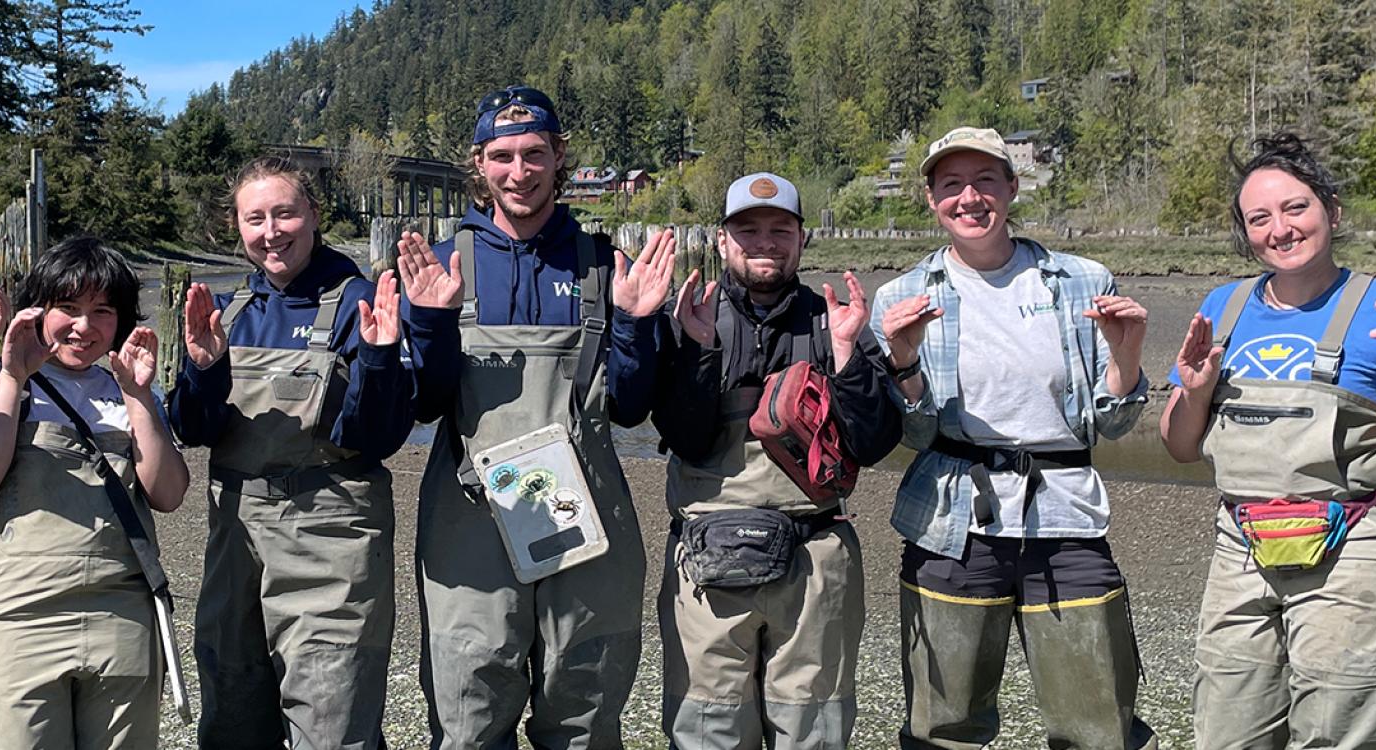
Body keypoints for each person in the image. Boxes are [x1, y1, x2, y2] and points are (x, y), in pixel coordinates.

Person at [1160, 133, 1376, 750]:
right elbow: (1181, 445)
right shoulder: (1225, 306)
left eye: (1296, 208)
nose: (1281, 228)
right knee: (1226, 729)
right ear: (1245, 233)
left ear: (1332, 209)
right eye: (1260, 218)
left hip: (1360, 538)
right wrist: (1193, 390)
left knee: (1336, 729)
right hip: (1243, 541)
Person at [395, 83, 675, 749]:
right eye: (502, 156)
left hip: (588, 520)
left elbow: (632, 408)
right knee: (469, 712)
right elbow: (426, 407)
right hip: (470, 523)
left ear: (559, 160)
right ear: (479, 163)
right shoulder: (440, 267)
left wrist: (636, 325)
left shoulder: (606, 268)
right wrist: (432, 323)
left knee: (584, 713)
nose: (517, 172)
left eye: (533, 154)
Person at [869, 126, 1157, 750]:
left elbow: (1112, 422)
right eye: (951, 185)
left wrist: (1126, 360)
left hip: (1067, 517)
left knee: (1099, 724)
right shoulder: (900, 299)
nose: (969, 197)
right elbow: (914, 434)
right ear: (930, 198)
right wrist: (902, 361)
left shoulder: (1082, 281)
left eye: (984, 181)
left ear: (1012, 188)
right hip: (950, 521)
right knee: (943, 726)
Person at [651, 172, 904, 748]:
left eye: (779, 229)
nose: (764, 241)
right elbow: (685, 439)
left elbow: (874, 444)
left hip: (815, 560)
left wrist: (847, 360)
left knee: (814, 730)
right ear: (721, 241)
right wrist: (695, 352)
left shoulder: (836, 321)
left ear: (801, 239)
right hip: (705, 561)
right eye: (748, 230)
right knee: (707, 729)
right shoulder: (689, 317)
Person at [167, 156, 413, 749]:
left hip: (332, 534)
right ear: (237, 226)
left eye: (285, 213)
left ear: (313, 215)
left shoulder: (359, 302)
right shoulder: (226, 311)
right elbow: (191, 428)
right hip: (235, 533)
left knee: (332, 716)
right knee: (231, 708)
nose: (272, 231)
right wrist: (202, 368)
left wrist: (378, 360)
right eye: (256, 218)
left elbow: (378, 438)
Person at [0, 237, 188, 748]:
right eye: (68, 308)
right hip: (12, 617)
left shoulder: (131, 390)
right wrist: (13, 374)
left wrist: (139, 396)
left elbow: (168, 493)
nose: (84, 326)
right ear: (37, 310)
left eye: (102, 311)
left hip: (121, 613)